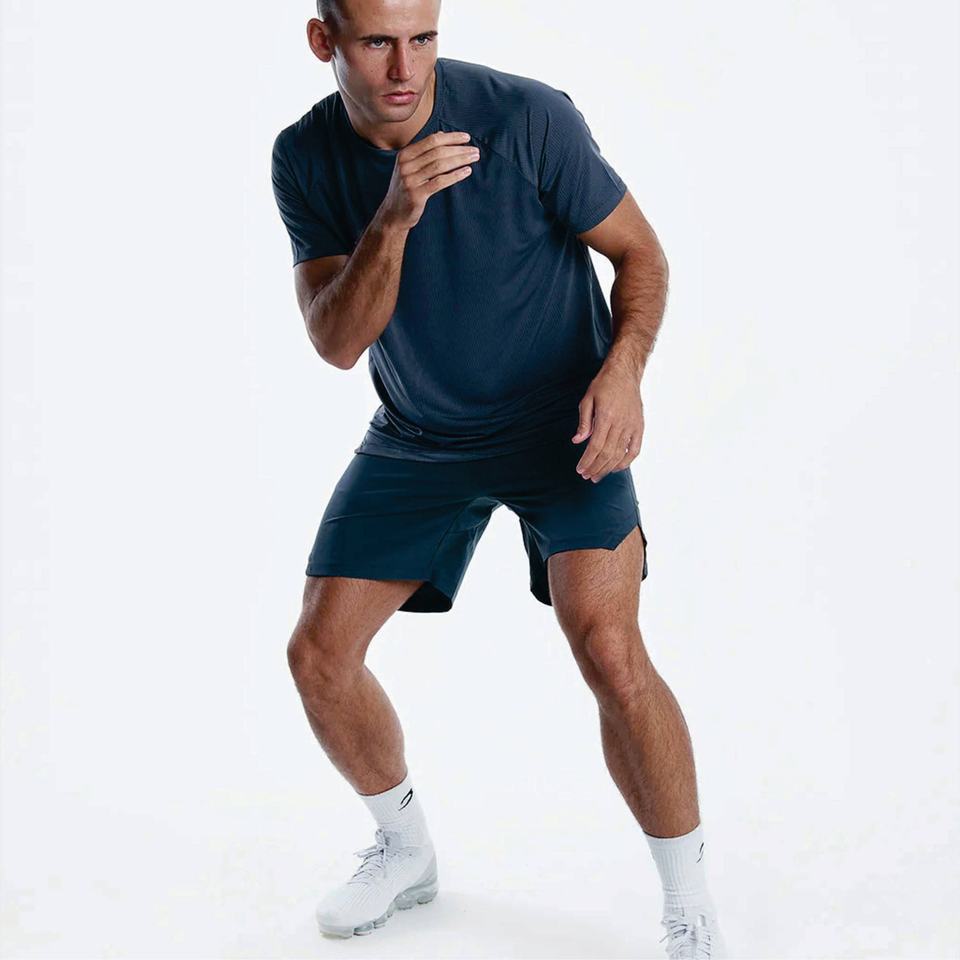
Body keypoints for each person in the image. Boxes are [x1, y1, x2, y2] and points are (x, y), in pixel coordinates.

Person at [271, 1, 728, 956]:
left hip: (562, 428)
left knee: (609, 650)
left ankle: (690, 902)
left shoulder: (526, 118)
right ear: (325, 43)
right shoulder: (304, 155)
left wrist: (624, 371)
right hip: (420, 435)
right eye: (377, 42)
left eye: (423, 38)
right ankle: (405, 852)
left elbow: (640, 252)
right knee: (318, 657)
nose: (406, 68)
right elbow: (337, 342)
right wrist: (394, 216)